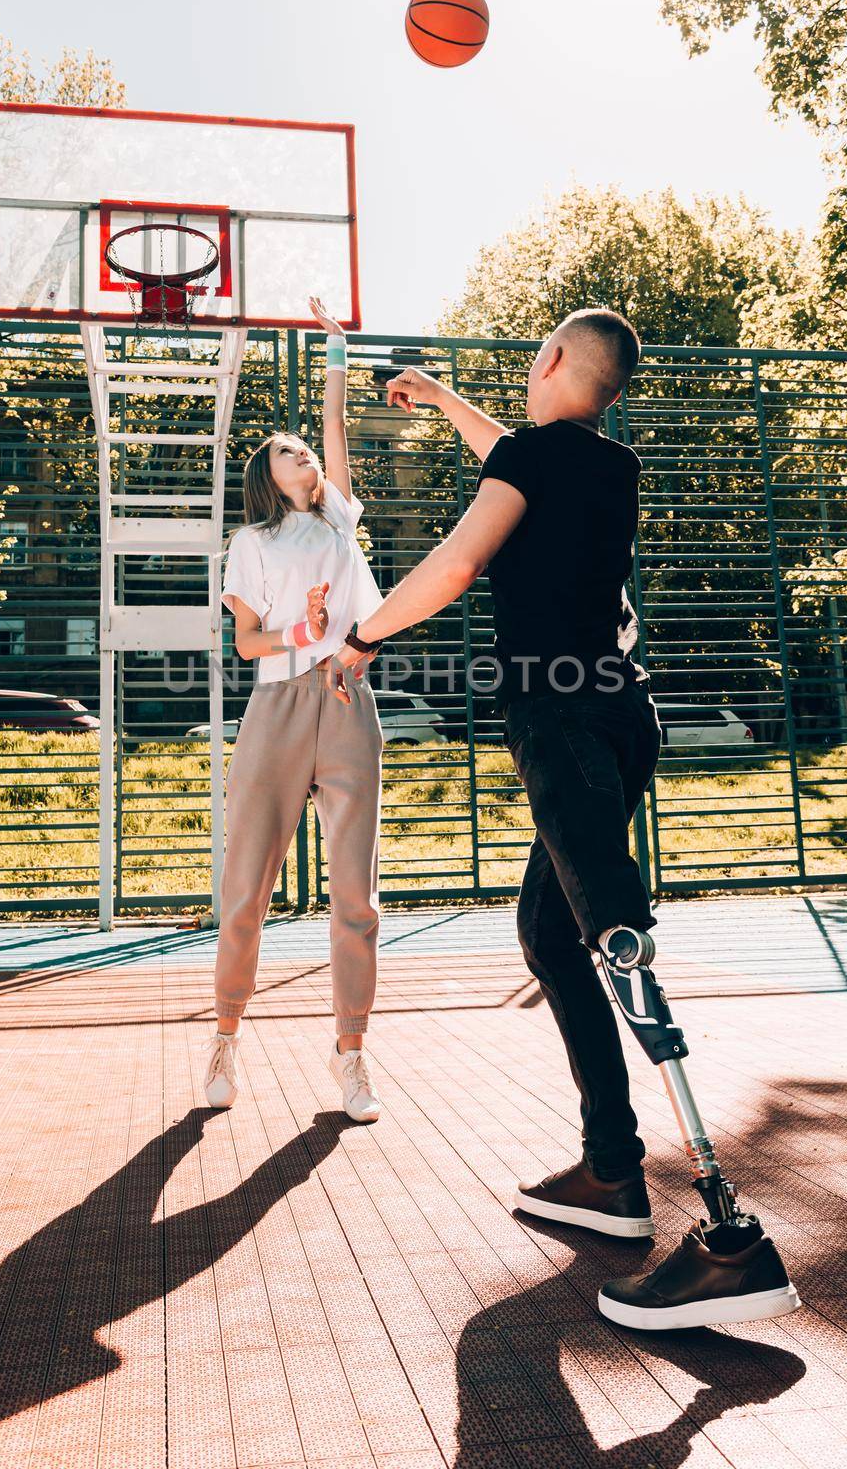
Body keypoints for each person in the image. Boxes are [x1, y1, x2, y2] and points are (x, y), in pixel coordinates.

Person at [334, 308, 789, 1324]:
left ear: (546, 362)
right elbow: (516, 455)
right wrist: (446, 399)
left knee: (611, 934)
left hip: (561, 717)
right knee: (551, 930)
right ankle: (612, 1175)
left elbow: (456, 564)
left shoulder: (534, 461)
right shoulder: (603, 465)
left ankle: (729, 1237)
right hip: (625, 716)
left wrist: (361, 636)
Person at [204, 297, 383, 1123]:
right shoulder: (253, 544)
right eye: (286, 452)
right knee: (247, 890)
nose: (303, 453)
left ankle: (352, 1057)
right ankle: (227, 1037)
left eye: (304, 448)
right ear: (266, 477)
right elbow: (246, 646)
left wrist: (338, 349)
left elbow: (335, 419)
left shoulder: (340, 516)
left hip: (348, 703)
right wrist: (302, 628)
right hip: (277, 707)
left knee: (357, 898)